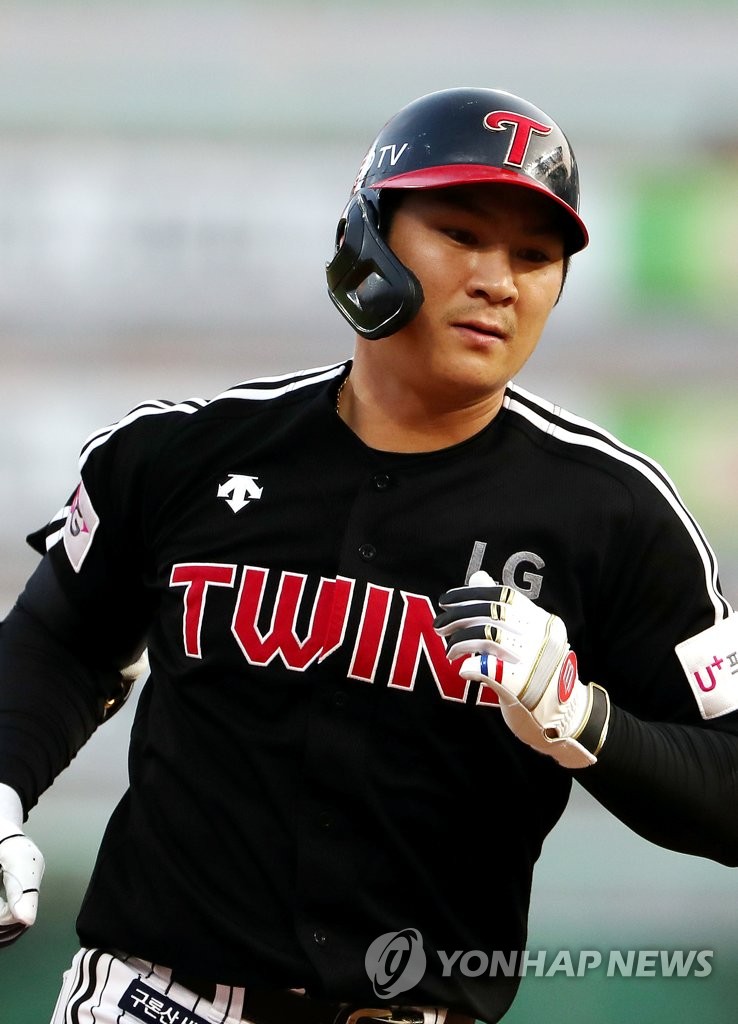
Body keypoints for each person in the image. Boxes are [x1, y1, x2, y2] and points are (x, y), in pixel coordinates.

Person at [1, 85, 737, 1024]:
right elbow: (63, 636)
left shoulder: (612, 514)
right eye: (462, 234)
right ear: (368, 240)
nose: (499, 280)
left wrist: (586, 721)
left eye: (534, 255)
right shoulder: (184, 452)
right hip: (150, 1000)